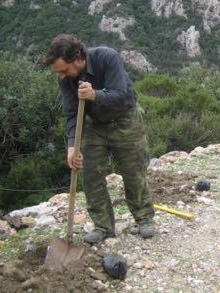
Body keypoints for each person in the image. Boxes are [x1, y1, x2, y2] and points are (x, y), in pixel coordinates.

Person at [45, 34, 156, 244]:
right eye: (57, 72)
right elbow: (71, 114)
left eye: (63, 70)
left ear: (77, 58)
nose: (61, 76)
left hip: (126, 120)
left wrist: (95, 95)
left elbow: (121, 94)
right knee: (90, 174)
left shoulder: (107, 57)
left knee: (133, 171)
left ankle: (144, 218)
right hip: (94, 125)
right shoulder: (66, 79)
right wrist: (72, 147)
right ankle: (103, 226)